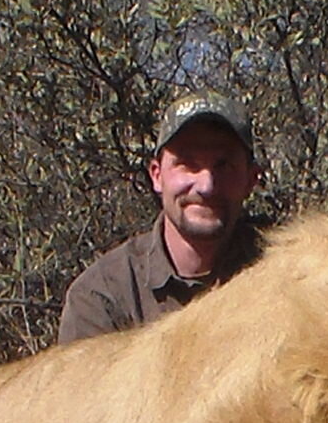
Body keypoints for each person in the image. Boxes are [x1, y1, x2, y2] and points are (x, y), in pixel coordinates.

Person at [57, 91, 264, 345]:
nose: (207, 186)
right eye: (188, 164)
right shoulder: (101, 296)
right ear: (157, 175)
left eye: (224, 165)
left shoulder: (287, 270)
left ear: (251, 179)